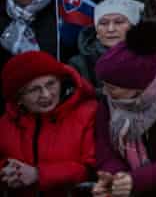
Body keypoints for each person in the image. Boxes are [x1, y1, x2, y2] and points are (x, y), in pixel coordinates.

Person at [92, 22, 156, 197]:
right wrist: (116, 176)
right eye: (104, 85)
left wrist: (135, 180)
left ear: (139, 87)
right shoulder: (109, 100)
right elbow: (104, 147)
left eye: (112, 87)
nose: (105, 92)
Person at [0, 50, 97, 196]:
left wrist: (39, 174)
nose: (46, 94)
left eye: (51, 84)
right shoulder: (6, 123)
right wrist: (6, 171)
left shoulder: (88, 113)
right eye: (34, 89)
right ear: (18, 98)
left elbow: (92, 170)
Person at [70, 0, 143, 87]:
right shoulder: (79, 65)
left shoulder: (151, 55)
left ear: (134, 27)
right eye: (103, 23)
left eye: (119, 22)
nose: (111, 29)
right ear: (96, 31)